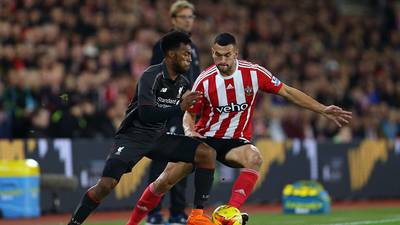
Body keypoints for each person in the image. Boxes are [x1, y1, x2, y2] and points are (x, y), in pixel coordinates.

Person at [125, 32, 352, 225]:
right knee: (164, 181)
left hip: (235, 141)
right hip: (205, 139)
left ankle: (230, 211)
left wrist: (322, 109)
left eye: (227, 55)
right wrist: (189, 131)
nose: (222, 60)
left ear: (236, 53)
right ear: (212, 53)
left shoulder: (254, 73)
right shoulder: (205, 80)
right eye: (217, 55)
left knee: (254, 158)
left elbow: (288, 92)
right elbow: (189, 114)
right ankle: (132, 222)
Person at [67, 31, 216, 225]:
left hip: (159, 138)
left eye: (190, 54)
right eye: (186, 53)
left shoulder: (183, 82)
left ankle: (197, 215)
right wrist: (179, 107)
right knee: (106, 185)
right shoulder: (150, 76)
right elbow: (147, 114)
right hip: (132, 137)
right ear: (171, 54)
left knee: (207, 154)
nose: (190, 58)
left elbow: (188, 110)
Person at [146, 1, 201, 224]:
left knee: (184, 160)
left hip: (187, 112)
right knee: (160, 160)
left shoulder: (192, 47)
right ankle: (153, 212)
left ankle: (178, 211)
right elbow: (154, 77)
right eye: (184, 16)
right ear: (173, 19)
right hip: (168, 109)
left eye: (191, 16)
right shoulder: (164, 45)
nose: (189, 20)